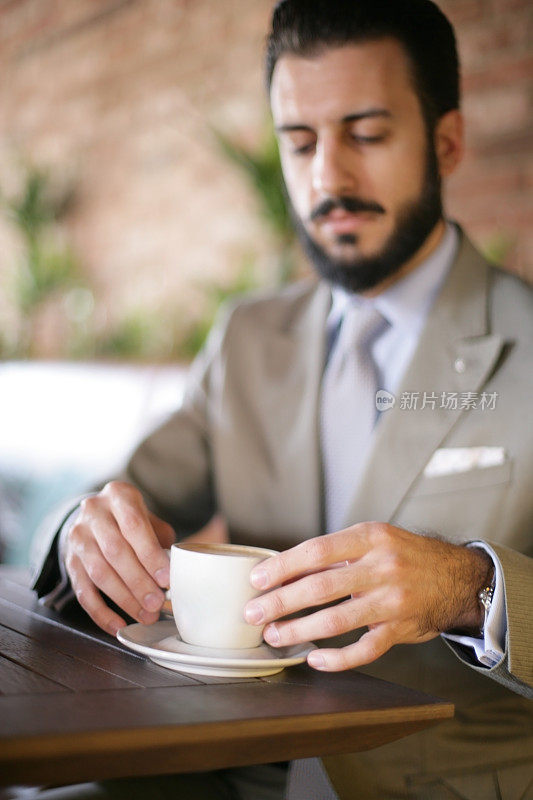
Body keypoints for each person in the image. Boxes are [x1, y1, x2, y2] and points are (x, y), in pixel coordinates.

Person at [30, 1, 532, 799]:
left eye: (365, 134)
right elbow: (108, 497)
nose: (326, 178)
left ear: (446, 142)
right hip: (226, 773)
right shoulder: (245, 338)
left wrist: (467, 591)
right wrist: (80, 532)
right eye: (299, 142)